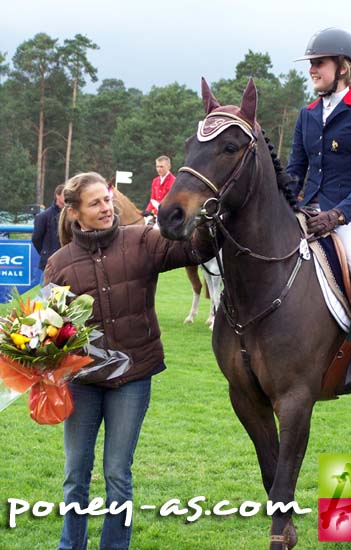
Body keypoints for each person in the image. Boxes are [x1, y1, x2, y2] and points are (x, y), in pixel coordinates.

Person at [43, 172, 213, 550]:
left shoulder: (143, 240)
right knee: (75, 474)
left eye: (107, 199)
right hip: (82, 383)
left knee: (118, 473)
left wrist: (206, 218)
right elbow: (50, 333)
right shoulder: (59, 264)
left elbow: (195, 251)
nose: (106, 208)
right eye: (95, 203)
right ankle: (71, 546)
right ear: (74, 213)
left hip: (132, 379)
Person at [287, 27, 351, 406]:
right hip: (310, 212)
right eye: (311, 63)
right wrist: (287, 200)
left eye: (319, 63)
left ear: (342, 68)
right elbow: (296, 169)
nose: (312, 69)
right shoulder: (307, 114)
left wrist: (339, 215)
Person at [31, 184, 65, 281]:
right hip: (49, 264)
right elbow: (36, 239)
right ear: (57, 196)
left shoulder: (71, 215)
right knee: (47, 294)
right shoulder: (44, 216)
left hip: (67, 263)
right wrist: (46, 252)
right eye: (65, 194)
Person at [143, 155, 175, 222]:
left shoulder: (174, 181)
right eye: (157, 166)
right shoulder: (155, 181)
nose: (159, 169)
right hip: (155, 214)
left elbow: (172, 202)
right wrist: (147, 211)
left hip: (168, 216)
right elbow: (153, 199)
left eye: (161, 166)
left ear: (169, 167)